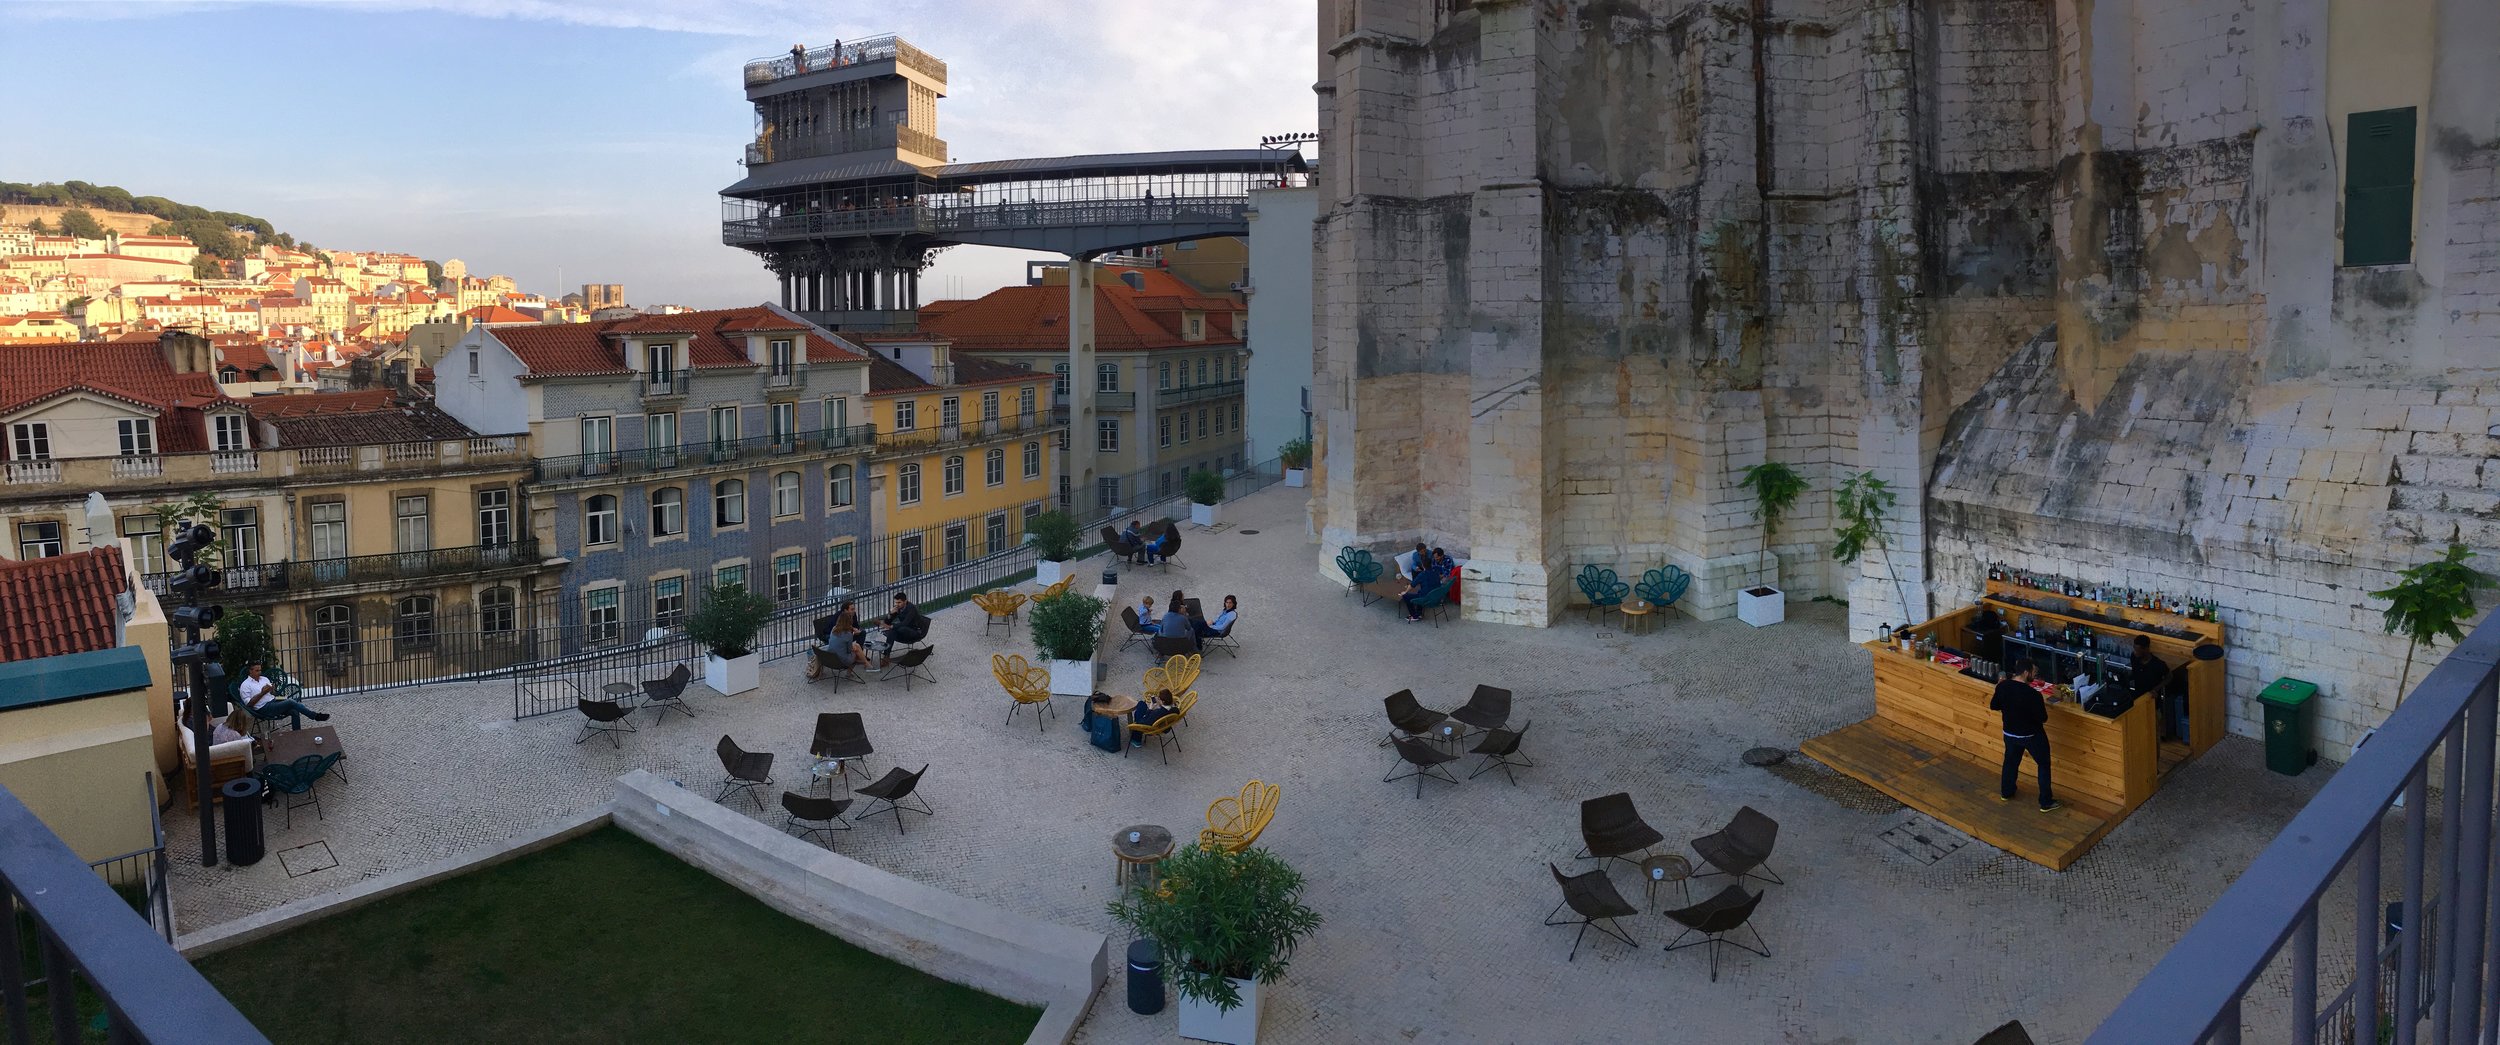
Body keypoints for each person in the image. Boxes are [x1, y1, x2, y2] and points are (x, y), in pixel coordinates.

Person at [1989, 658, 2060, 812]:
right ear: (2026, 672)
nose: (2035, 676)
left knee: (2010, 763)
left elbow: (1993, 705)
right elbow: (2043, 718)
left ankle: (2006, 792)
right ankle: (2045, 801)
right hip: (2031, 735)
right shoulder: (2033, 695)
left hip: (2010, 733)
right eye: (2034, 673)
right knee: (2043, 764)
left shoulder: (2003, 687)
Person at [238, 662, 328, 730]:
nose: (259, 672)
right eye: (257, 670)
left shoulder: (264, 679)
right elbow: (249, 704)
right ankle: (314, 716)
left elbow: (272, 694)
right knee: (290, 702)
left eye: (260, 670)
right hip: (264, 708)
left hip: (274, 699)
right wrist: (262, 693)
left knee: (293, 709)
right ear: (250, 671)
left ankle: (297, 734)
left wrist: (272, 689)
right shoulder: (245, 685)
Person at [2128, 635, 2175, 740]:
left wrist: (2156, 689)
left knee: (2153, 734)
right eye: (2134, 649)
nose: (2135, 652)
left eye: (2138, 650)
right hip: (2137, 700)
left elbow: (2169, 677)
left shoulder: (2158, 665)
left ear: (2146, 649)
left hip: (2153, 702)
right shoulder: (2134, 657)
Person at [879, 593, 929, 665]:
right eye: (896, 602)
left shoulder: (911, 608)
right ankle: (886, 656)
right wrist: (891, 614)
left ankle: (886, 656)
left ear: (905, 601)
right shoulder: (897, 608)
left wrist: (892, 626)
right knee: (892, 632)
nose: (897, 604)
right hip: (904, 630)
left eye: (899, 602)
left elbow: (905, 623)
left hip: (916, 632)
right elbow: (887, 622)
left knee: (897, 628)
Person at [1400, 555, 1446, 622]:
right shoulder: (1436, 569)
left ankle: (1414, 616)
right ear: (1431, 563)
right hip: (1437, 595)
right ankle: (1419, 613)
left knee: (1406, 596)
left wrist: (1405, 591)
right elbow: (1443, 574)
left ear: (1422, 565)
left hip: (1427, 598)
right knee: (1420, 591)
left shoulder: (1422, 575)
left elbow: (1412, 585)